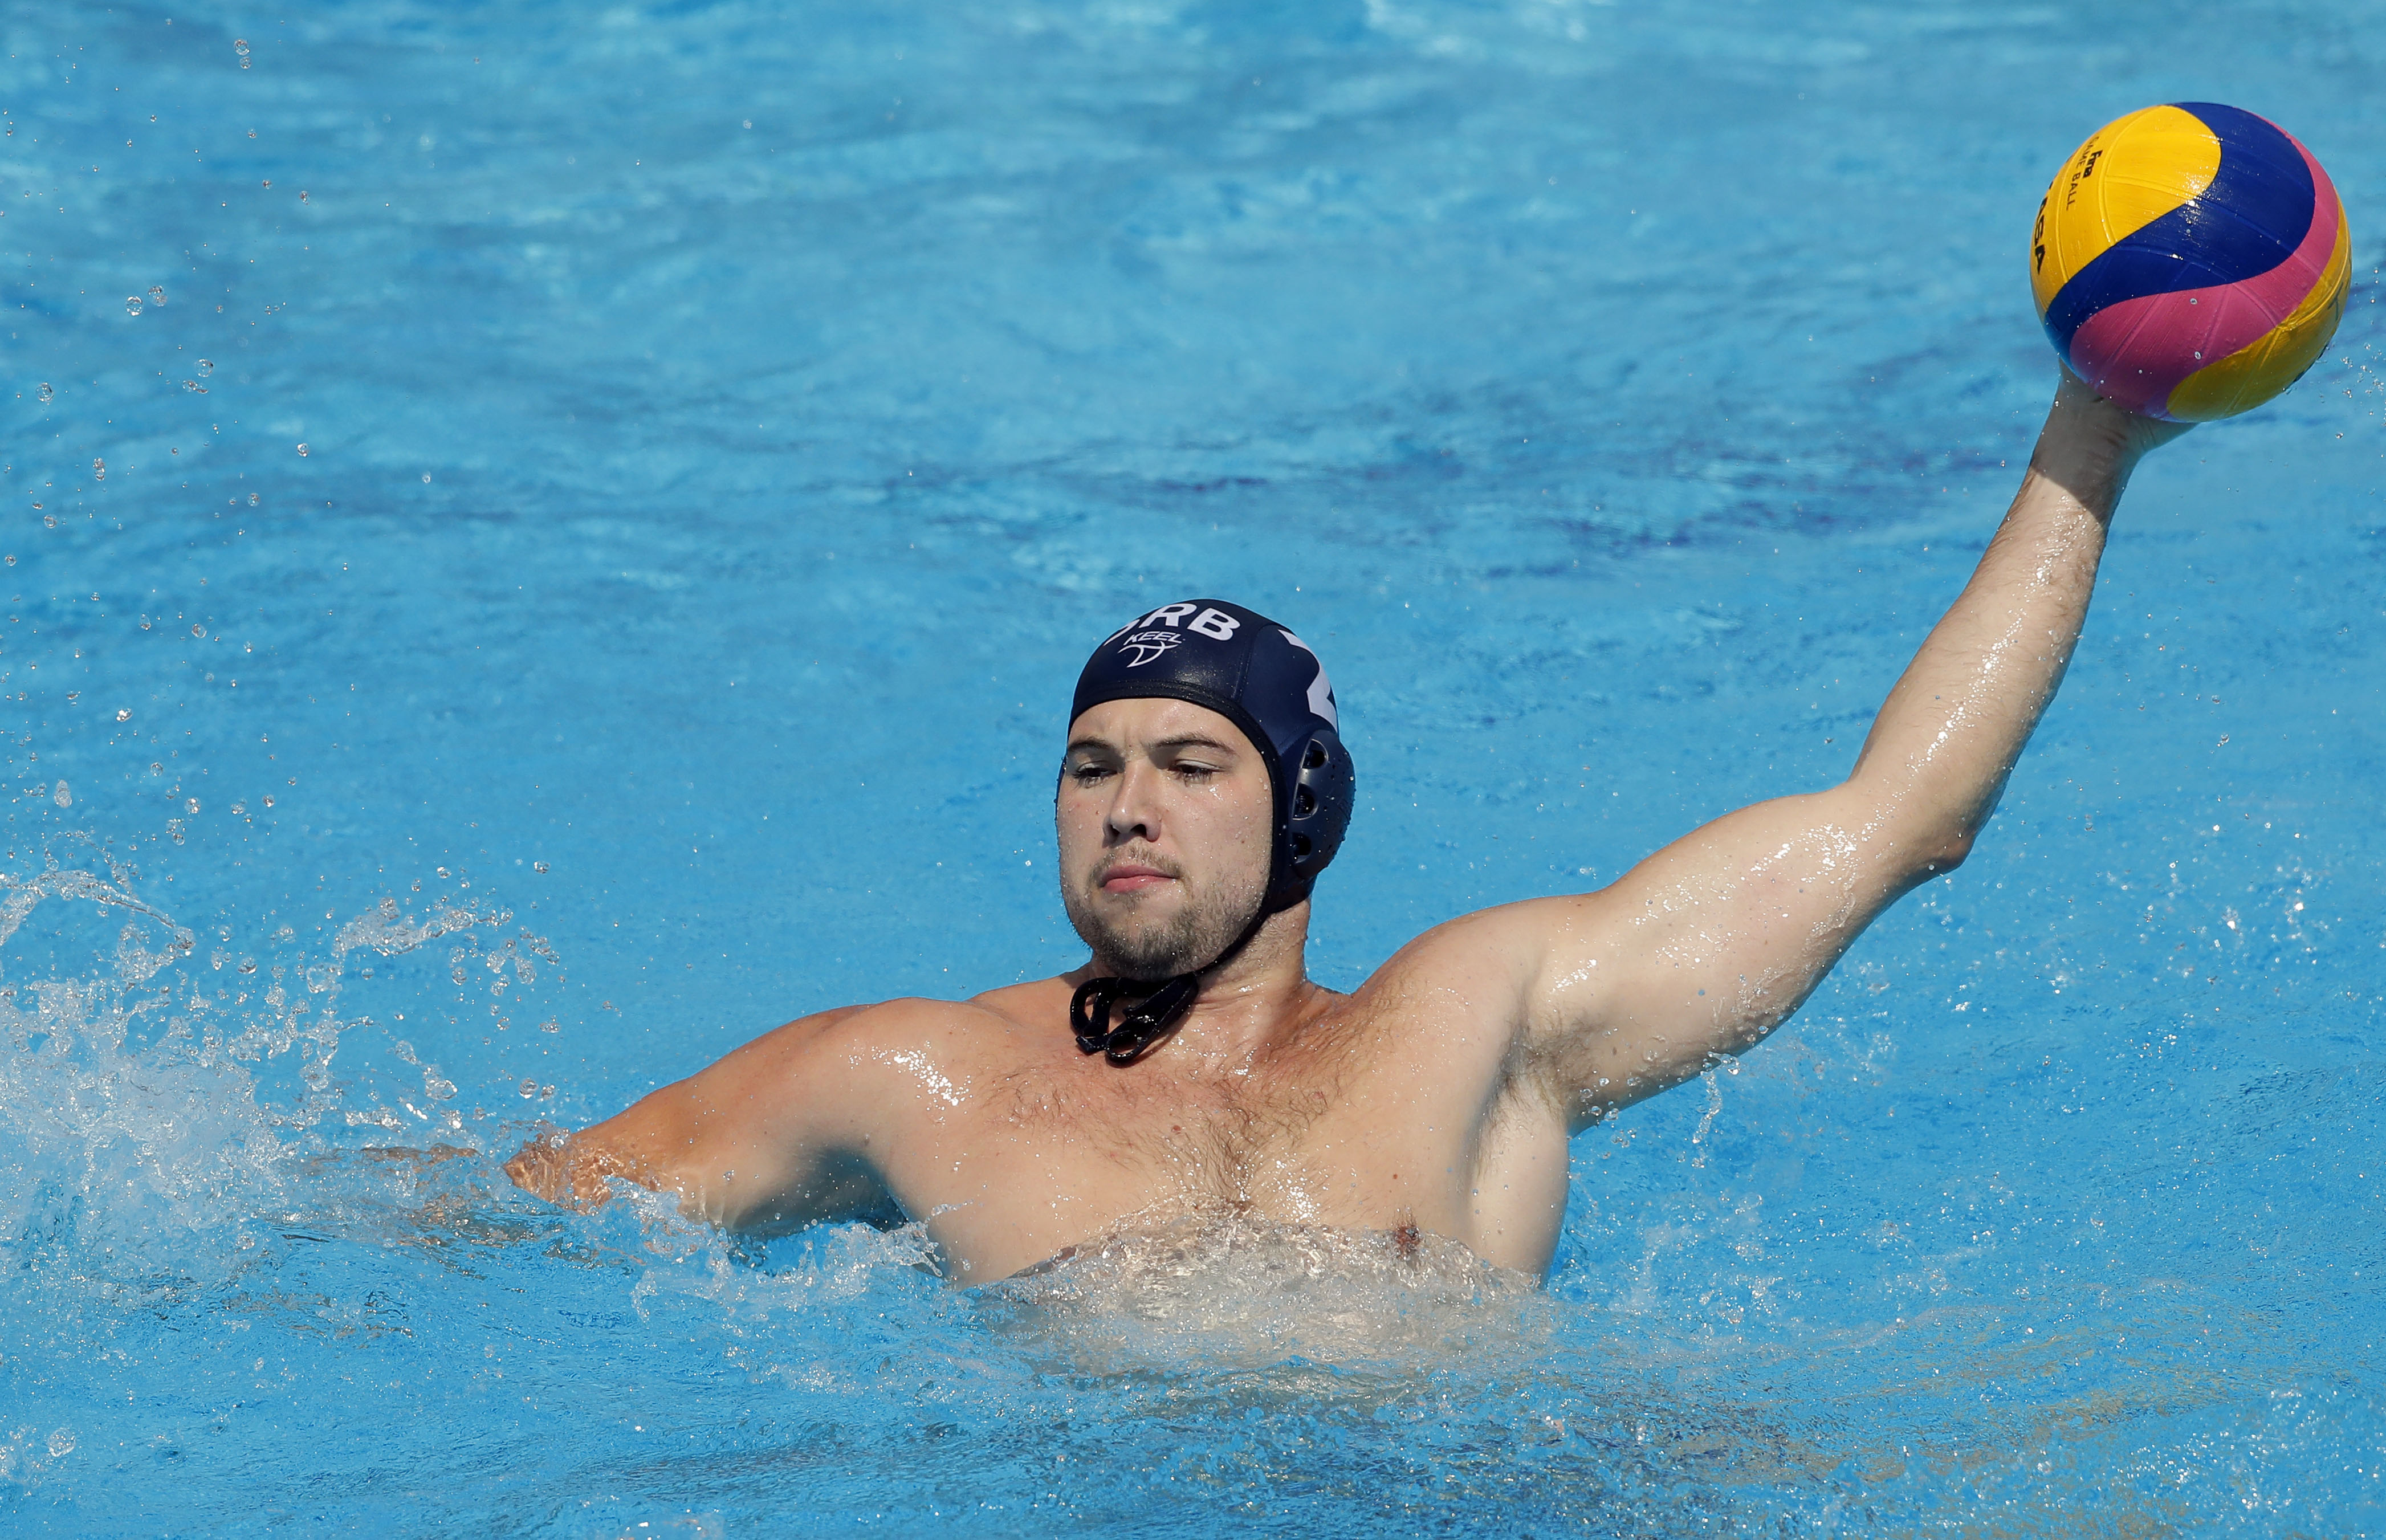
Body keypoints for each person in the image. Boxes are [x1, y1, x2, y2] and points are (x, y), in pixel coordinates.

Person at [507, 369, 2180, 1286]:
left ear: (1303, 811)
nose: (1128, 807)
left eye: (1190, 764)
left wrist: (2095, 424)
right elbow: (536, 1203)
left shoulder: (1478, 1025)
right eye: (1090, 768)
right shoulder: (911, 1073)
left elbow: (1903, 819)